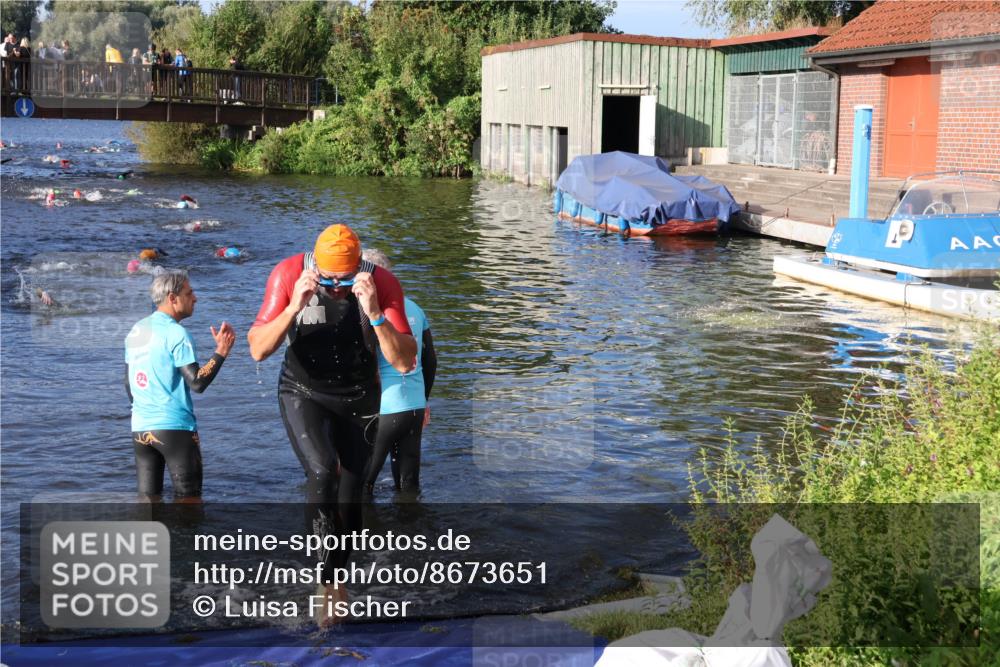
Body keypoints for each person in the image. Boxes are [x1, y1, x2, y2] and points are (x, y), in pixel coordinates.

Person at [247, 224, 416, 621]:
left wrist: (374, 313)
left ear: (360, 266)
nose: (337, 288)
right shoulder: (288, 274)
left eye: (345, 279)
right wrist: (293, 306)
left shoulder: (382, 283)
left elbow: (405, 360)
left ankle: (338, 572)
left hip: (359, 396)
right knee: (324, 472)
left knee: (351, 499)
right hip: (302, 391)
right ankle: (328, 584)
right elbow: (257, 350)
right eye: (328, 279)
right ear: (315, 266)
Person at [125, 270, 235, 502]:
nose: (195, 298)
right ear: (172, 298)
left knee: (148, 503)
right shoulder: (177, 333)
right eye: (190, 292)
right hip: (175, 429)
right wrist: (221, 352)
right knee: (189, 503)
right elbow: (197, 382)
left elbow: (129, 385)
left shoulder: (136, 331)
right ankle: (187, 539)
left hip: (141, 428)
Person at [360, 248, 437, 495]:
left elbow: (364, 362)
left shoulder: (366, 313)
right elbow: (430, 360)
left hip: (382, 410)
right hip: (413, 408)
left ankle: (357, 533)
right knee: (408, 486)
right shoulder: (414, 308)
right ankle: (411, 529)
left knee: (361, 485)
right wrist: (424, 401)